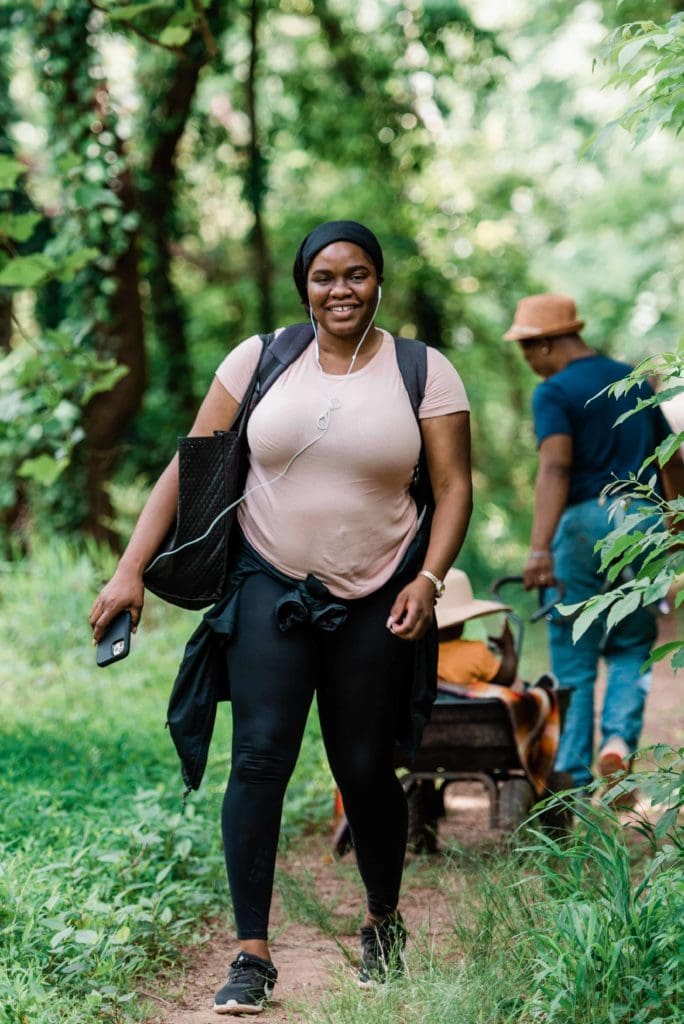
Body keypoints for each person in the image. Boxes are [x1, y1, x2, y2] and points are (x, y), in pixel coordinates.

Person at [90, 220, 472, 1014]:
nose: (342, 290)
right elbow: (189, 463)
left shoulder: (423, 371)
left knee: (364, 765)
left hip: (378, 591)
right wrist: (131, 569)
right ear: (305, 283)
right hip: (269, 586)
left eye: (358, 274)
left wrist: (429, 579)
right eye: (326, 275)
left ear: (378, 282)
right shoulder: (260, 357)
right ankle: (251, 955)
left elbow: (454, 484)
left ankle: (381, 922)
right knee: (259, 759)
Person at [504, 293, 684, 790]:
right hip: (644, 523)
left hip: (583, 525)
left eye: (526, 348)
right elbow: (672, 460)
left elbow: (556, 466)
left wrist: (539, 548)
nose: (527, 360)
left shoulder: (555, 391)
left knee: (574, 653)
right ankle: (618, 743)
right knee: (631, 645)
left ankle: (570, 774)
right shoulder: (634, 380)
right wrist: (676, 527)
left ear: (546, 344)